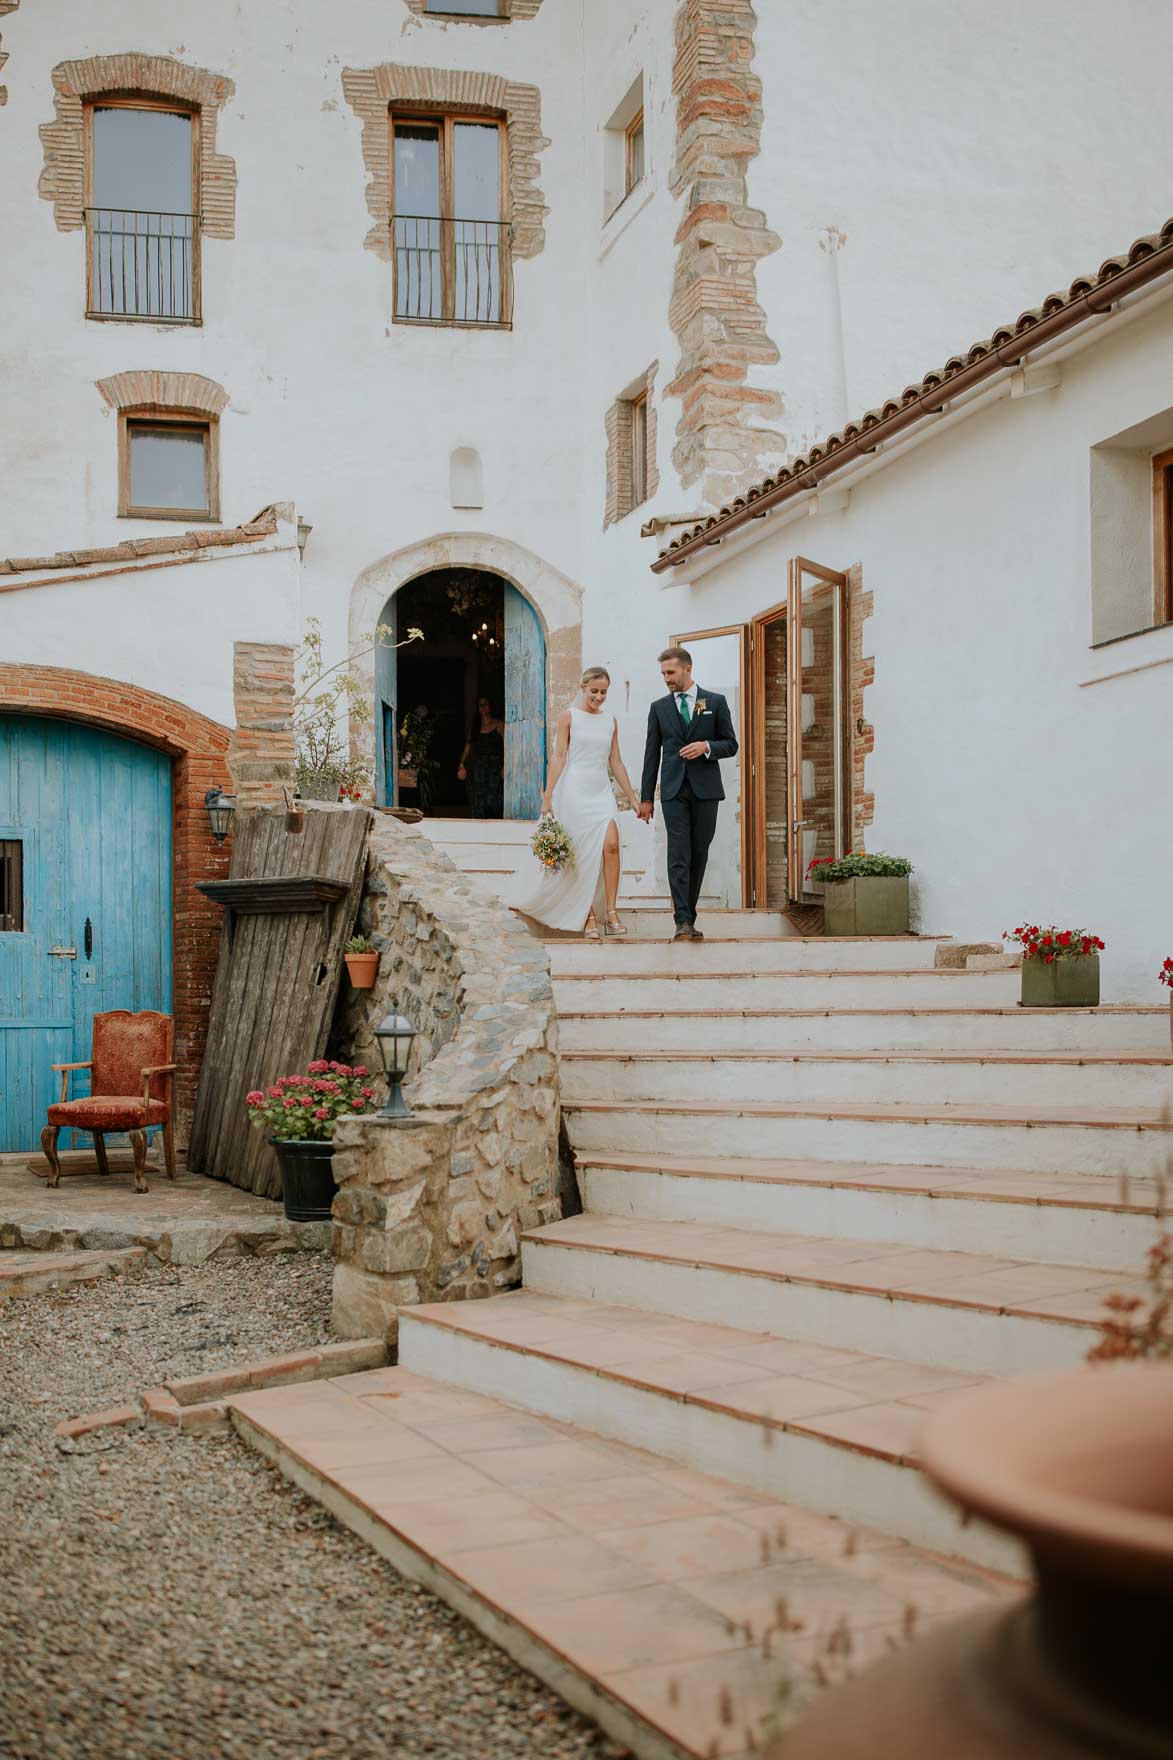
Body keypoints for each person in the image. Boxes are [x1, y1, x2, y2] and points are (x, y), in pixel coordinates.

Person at [512, 667, 642, 939]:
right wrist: (548, 795)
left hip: (600, 791)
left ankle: (611, 912)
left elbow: (615, 761)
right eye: (593, 691)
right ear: (582, 688)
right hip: (574, 790)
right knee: (580, 852)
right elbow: (559, 757)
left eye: (603, 691)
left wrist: (632, 798)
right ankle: (587, 914)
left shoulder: (611, 721)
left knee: (612, 846)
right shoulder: (569, 717)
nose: (598, 696)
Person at [639, 645, 739, 942]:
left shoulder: (715, 702)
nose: (666, 679)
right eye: (663, 674)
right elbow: (650, 755)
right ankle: (682, 919)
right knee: (678, 854)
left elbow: (731, 744)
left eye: (670, 672)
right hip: (672, 790)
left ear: (687, 669)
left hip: (706, 790)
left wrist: (706, 746)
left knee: (699, 852)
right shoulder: (659, 708)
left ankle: (689, 914)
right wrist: (646, 797)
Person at [457, 696, 504, 818]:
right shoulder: (475, 727)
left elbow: (507, 747)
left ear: (491, 707)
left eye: (485, 704)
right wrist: (461, 765)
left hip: (494, 769)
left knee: (494, 800)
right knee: (478, 801)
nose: (483, 707)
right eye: (480, 705)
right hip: (478, 771)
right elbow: (467, 749)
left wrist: (505, 766)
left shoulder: (499, 724)